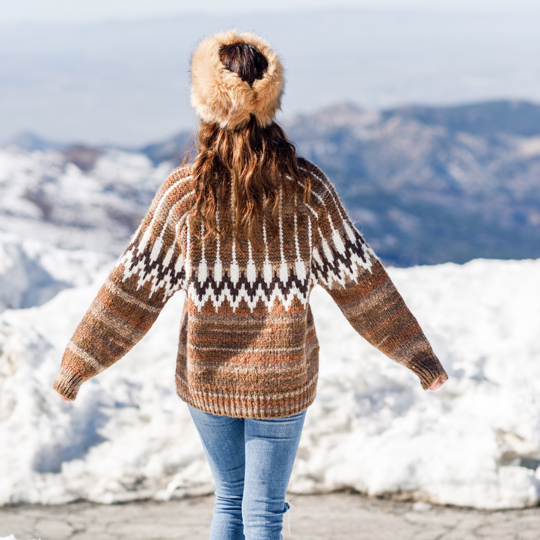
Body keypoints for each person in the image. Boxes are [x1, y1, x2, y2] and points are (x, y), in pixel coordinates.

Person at [53, 29, 449, 540]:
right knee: (261, 510)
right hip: (282, 381)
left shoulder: (182, 195)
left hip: (207, 379)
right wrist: (418, 357)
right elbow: (363, 287)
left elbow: (129, 294)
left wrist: (76, 366)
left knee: (230, 500)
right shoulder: (307, 189)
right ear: (271, 100)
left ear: (206, 104)